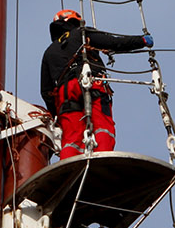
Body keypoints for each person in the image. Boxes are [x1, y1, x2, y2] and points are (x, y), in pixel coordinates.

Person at [40, 9, 153, 159]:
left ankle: (69, 166)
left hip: (65, 93)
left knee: (71, 138)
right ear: (74, 22)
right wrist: (142, 41)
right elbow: (113, 42)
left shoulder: (49, 52)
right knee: (102, 126)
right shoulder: (82, 33)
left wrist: (56, 114)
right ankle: (103, 158)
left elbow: (46, 91)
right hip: (91, 82)